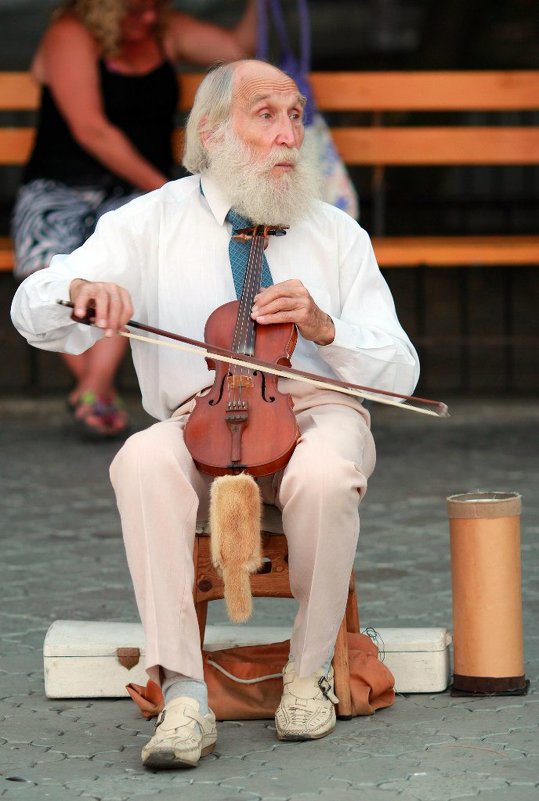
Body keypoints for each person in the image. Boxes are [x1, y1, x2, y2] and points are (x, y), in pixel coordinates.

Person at [11, 59, 420, 768]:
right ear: (210, 132)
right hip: (194, 419)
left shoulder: (335, 233)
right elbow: (33, 306)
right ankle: (184, 693)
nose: (288, 134)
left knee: (325, 472)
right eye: (265, 116)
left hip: (315, 409)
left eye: (294, 116)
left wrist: (327, 330)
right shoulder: (147, 221)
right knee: (140, 456)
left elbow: (401, 370)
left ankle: (306, 671)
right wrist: (78, 288)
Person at [11, 0, 256, 439]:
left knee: (132, 267)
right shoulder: (72, 31)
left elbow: (238, 47)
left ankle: (90, 390)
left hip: (132, 191)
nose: (147, 19)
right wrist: (166, 189)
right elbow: (91, 129)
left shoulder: (164, 27)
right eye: (134, 11)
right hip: (60, 184)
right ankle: (97, 389)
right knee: (47, 268)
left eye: (153, 8)